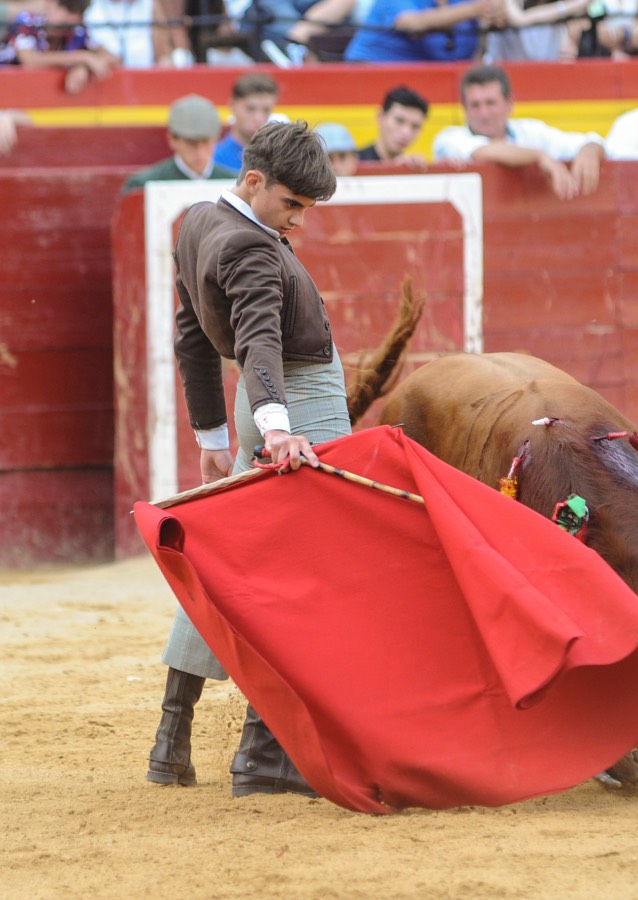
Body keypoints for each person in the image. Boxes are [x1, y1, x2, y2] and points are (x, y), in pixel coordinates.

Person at [150, 120, 347, 797]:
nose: (299, 221)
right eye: (293, 205)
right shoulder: (252, 248)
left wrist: (212, 438)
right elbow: (260, 344)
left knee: (226, 562)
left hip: (264, 402)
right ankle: (264, 758)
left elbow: (191, 337)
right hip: (298, 404)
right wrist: (277, 430)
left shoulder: (197, 221)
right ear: (254, 180)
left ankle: (171, 739)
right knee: (307, 573)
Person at [432, 64, 606, 201]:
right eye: (475, 105)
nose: (484, 113)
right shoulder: (450, 138)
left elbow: (591, 140)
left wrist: (589, 150)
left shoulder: (531, 130)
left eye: (491, 103)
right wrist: (540, 156)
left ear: (510, 104)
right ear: (465, 109)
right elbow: (485, 151)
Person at [122, 94, 237, 193]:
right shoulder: (143, 185)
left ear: (216, 138)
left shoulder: (235, 184)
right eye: (191, 143)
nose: (200, 153)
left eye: (206, 142)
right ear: (172, 139)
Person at [0, 0, 117, 94]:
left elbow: (113, 58)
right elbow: (30, 60)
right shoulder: (28, 21)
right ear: (49, 3)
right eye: (64, 7)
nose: (66, 17)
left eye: (76, 11)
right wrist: (83, 57)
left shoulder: (76, 30)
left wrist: (83, 66)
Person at [343, 0, 507, 62]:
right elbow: (412, 23)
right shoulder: (475, 6)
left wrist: (490, 21)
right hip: (369, 81)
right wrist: (476, 9)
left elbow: (475, 59)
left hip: (441, 91)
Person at [214, 73, 281, 171]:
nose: (259, 118)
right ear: (232, 105)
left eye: (266, 110)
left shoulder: (279, 158)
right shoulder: (213, 157)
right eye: (250, 109)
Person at [357, 85, 429, 166]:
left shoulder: (411, 167)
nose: (406, 132)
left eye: (415, 126)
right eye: (399, 121)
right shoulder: (353, 163)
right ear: (380, 116)